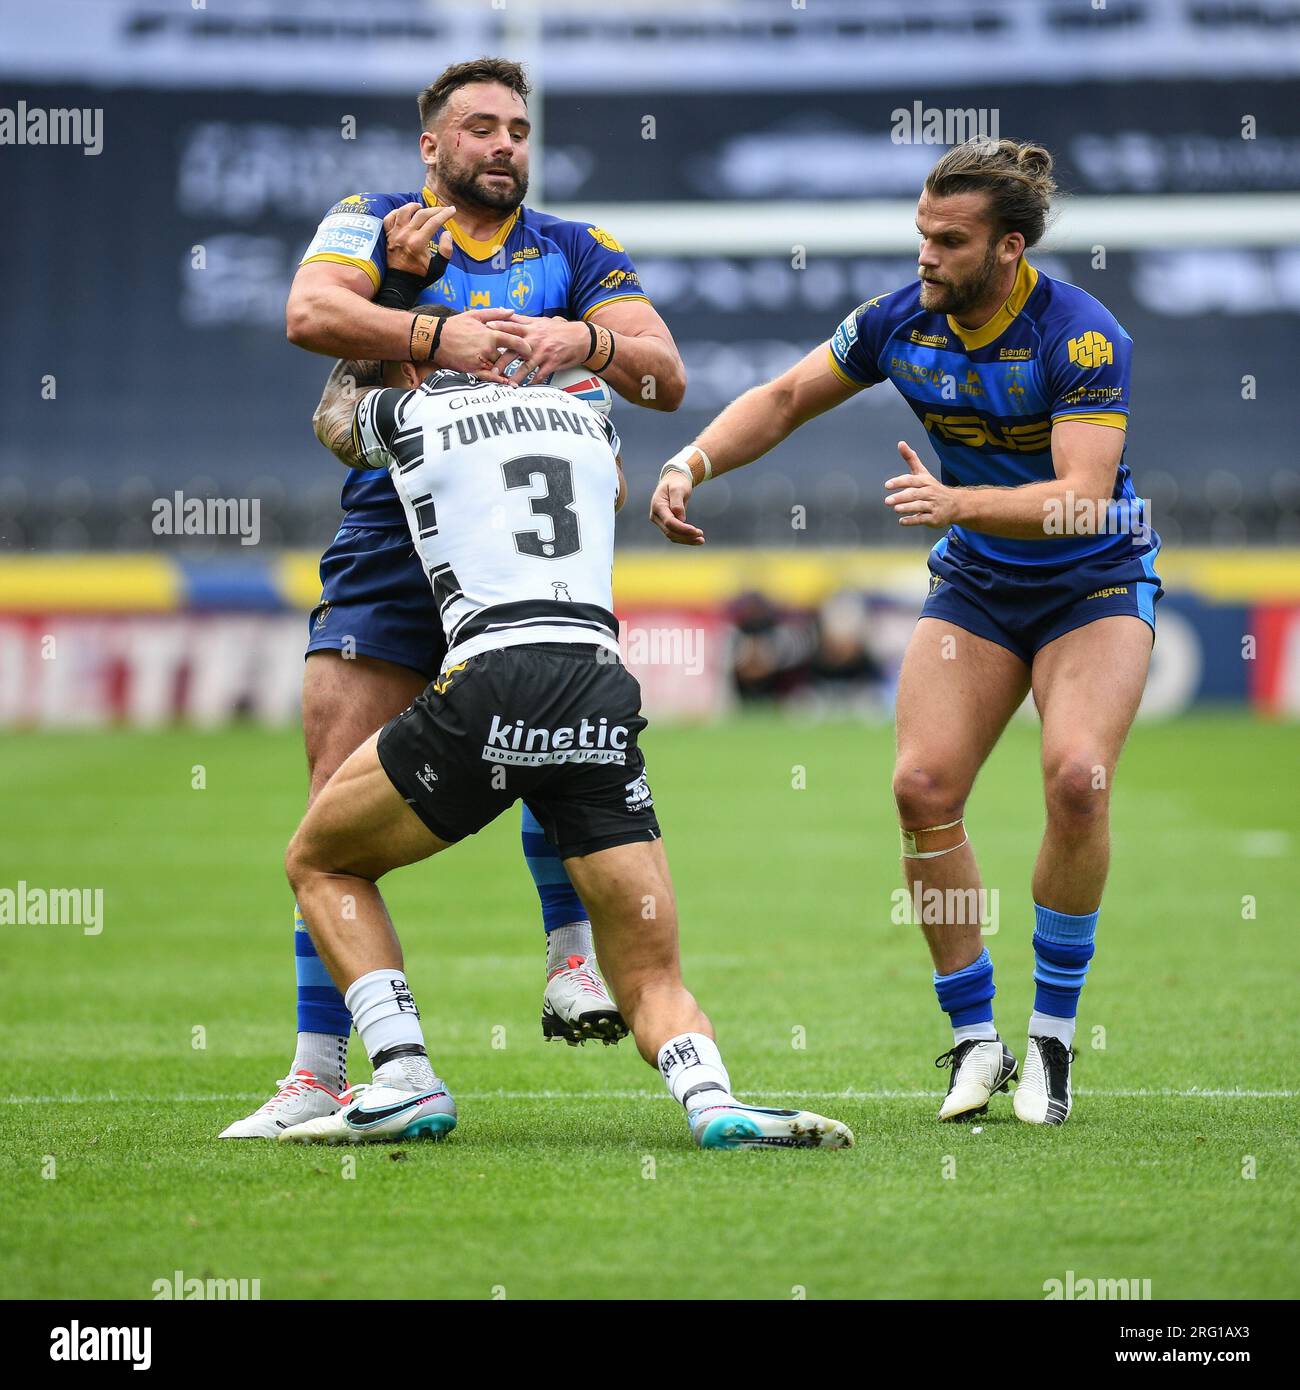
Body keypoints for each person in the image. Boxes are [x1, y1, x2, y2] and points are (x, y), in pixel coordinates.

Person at [648, 137, 1161, 1126]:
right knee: (920, 788)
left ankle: (1051, 1040)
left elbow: (1085, 502)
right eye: (921, 234)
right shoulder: (898, 320)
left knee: (1075, 779)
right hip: (978, 584)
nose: (925, 255)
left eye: (950, 241)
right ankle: (975, 1037)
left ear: (1008, 249)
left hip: (1090, 581)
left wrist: (955, 500)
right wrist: (691, 461)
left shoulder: (1083, 337)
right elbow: (789, 396)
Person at [221, 56, 687, 1138]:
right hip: (391, 529)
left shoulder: (576, 251)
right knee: (331, 797)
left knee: (544, 715)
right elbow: (307, 315)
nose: (504, 146)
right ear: (431, 147)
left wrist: (593, 341)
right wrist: (429, 326)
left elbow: (665, 375)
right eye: (478, 128)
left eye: (517, 129)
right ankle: (320, 1072)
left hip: (516, 546)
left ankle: (571, 958)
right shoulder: (374, 220)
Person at [275, 328, 852, 1150]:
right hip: (598, 683)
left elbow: (333, 419)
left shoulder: (408, 411)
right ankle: (713, 1099)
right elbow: (610, 482)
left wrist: (396, 328)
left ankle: (403, 1075)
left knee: (319, 860)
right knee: (650, 972)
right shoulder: (585, 411)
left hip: (492, 675)